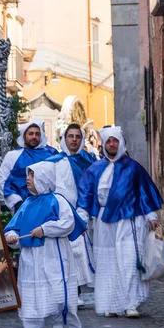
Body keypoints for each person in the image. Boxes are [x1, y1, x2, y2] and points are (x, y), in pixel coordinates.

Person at [77, 126, 163, 318]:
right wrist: (81, 219)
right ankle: (111, 303)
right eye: (108, 141)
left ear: (121, 142)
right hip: (104, 222)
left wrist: (151, 216)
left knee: (130, 259)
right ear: (103, 144)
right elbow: (85, 195)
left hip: (130, 219)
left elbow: (144, 193)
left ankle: (131, 303)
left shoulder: (134, 168)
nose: (112, 144)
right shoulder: (94, 170)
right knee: (107, 262)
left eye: (115, 140)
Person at [4, 162, 86, 328]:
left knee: (55, 290)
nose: (28, 178)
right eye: (28, 175)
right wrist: (12, 238)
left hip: (52, 254)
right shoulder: (26, 203)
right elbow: (14, 228)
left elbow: (68, 223)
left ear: (43, 177)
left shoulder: (58, 200)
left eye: (32, 175)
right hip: (30, 258)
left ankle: (58, 322)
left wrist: (45, 229)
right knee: (30, 295)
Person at [46, 124, 98, 305]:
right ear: (64, 138)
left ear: (81, 139)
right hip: (60, 213)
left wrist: (85, 212)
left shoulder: (89, 161)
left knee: (79, 254)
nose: (74, 140)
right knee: (62, 253)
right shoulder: (54, 161)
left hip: (82, 213)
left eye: (77, 136)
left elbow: (93, 188)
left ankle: (76, 292)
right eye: (70, 136)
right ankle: (64, 292)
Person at [0, 119, 58, 212]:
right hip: (22, 207)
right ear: (24, 135)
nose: (34, 137)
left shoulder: (51, 154)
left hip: (48, 206)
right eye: (31, 134)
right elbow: (3, 180)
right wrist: (16, 202)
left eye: (37, 134)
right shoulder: (13, 156)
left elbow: (58, 178)